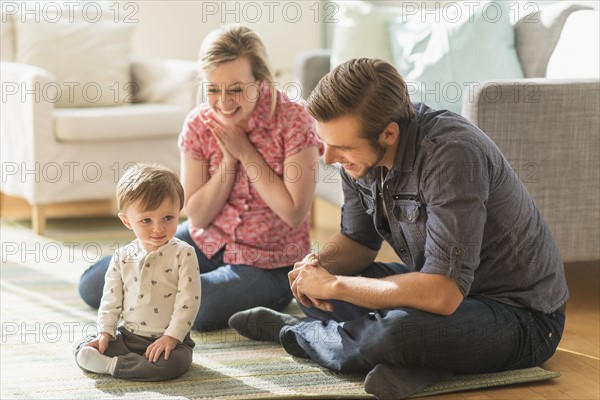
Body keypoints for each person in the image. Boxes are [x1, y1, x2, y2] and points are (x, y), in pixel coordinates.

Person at [228, 58, 569, 399]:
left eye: (342, 147)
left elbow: (443, 293)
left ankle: (297, 334)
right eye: (325, 141)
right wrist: (316, 266)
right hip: (439, 293)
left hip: (521, 316)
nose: (328, 157)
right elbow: (357, 241)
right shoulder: (360, 158)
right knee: (319, 298)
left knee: (394, 333)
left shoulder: (450, 156)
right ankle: (424, 365)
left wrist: (336, 284)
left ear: (389, 133)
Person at [78, 24, 322, 331]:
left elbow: (293, 211)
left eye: (236, 89)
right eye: (213, 89)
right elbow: (198, 215)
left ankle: (143, 304)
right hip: (204, 241)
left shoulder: (295, 119)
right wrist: (230, 160)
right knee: (93, 285)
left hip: (268, 263)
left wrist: (246, 152)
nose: (223, 102)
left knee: (202, 308)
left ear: (260, 82)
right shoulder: (198, 123)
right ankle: (152, 303)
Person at [74, 164, 200, 381]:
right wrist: (105, 333)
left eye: (168, 218)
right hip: (128, 336)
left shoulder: (184, 253)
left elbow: (188, 301)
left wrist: (171, 337)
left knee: (175, 363)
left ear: (179, 212)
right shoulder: (122, 256)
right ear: (126, 221)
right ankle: (116, 359)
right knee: (83, 346)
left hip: (171, 340)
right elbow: (111, 299)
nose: (158, 229)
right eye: (146, 220)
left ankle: (114, 366)